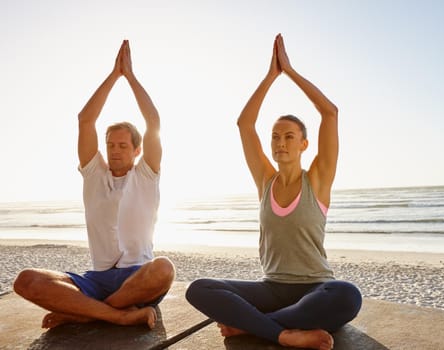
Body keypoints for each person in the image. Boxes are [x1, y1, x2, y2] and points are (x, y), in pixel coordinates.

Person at [185, 34, 362, 350]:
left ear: (303, 144)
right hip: (270, 289)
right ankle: (284, 332)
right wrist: (270, 76)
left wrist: (290, 72)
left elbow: (330, 113)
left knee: (348, 295)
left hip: (315, 289)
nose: (281, 142)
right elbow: (244, 124)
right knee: (199, 288)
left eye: (289, 137)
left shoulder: (318, 180)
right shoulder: (265, 181)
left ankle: (254, 326)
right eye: (276, 137)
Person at [13, 40, 174, 330]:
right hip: (97, 279)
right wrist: (114, 75)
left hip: (137, 279)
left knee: (164, 268)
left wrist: (131, 77)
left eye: (122, 145)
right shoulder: (94, 174)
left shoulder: (146, 175)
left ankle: (86, 312)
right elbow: (85, 120)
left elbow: (153, 121)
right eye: (110, 145)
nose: (114, 150)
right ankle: (115, 314)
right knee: (26, 280)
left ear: (136, 150)